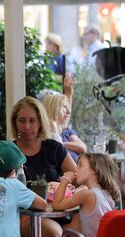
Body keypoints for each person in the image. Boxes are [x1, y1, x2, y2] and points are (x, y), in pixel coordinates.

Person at [10, 96, 77, 237]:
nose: (27, 126)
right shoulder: (9, 151)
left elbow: (78, 177)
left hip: (59, 213)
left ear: (41, 122)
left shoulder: (54, 148)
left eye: (32, 121)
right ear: (15, 123)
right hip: (22, 216)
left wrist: (65, 185)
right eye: (21, 121)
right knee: (54, 232)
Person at [52, 153, 120, 237]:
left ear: (94, 170)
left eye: (80, 165)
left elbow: (56, 205)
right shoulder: (106, 193)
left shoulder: (87, 195)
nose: (75, 169)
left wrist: (65, 180)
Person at [42, 94, 87, 163]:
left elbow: (83, 148)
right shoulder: (43, 133)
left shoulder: (66, 131)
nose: (68, 112)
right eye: (64, 107)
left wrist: (61, 143)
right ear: (54, 108)